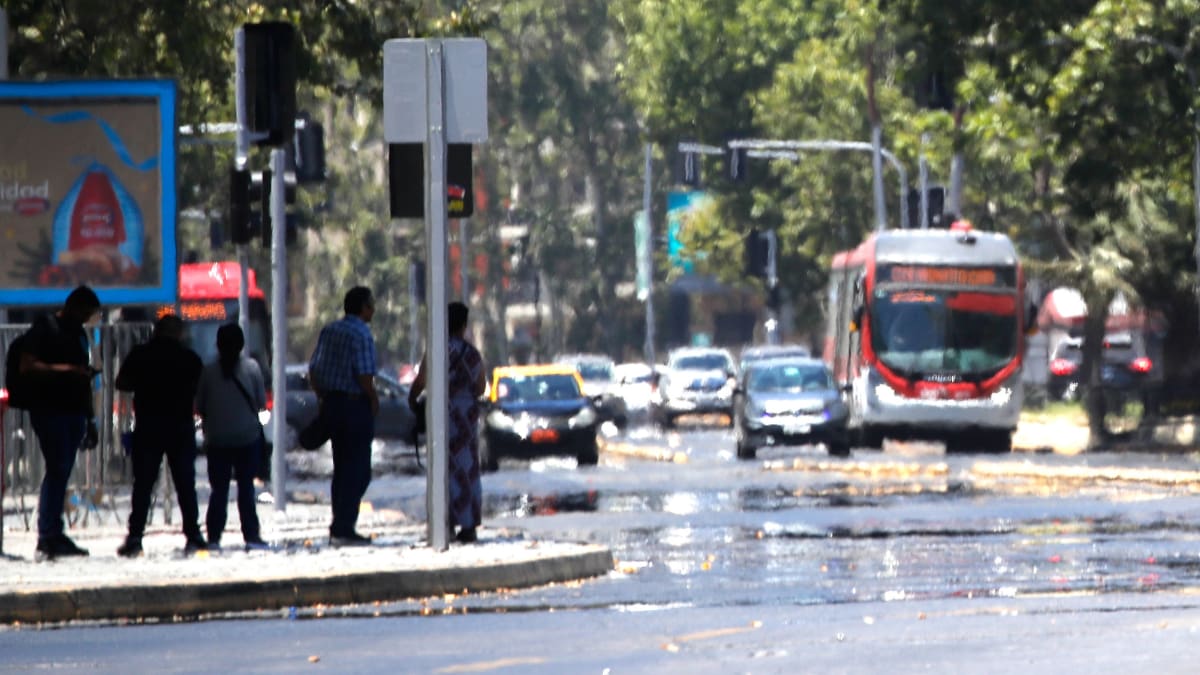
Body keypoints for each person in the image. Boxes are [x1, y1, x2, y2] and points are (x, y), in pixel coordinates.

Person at [115, 314, 207, 557]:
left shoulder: (141, 355)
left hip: (149, 426)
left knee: (143, 485)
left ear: (156, 331)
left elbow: (121, 382)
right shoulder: (189, 358)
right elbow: (200, 387)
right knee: (185, 484)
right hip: (180, 427)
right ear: (178, 333)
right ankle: (193, 535)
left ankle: (135, 537)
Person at [21, 285, 101, 560]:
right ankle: (48, 534)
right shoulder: (45, 328)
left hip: (74, 411)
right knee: (57, 468)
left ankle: (54, 531)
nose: (86, 319)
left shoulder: (79, 334)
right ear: (72, 306)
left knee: (62, 470)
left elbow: (83, 379)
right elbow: (27, 365)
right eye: (85, 313)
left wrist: (90, 419)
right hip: (50, 410)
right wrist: (65, 371)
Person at [408, 302, 487, 543]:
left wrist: (413, 399)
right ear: (463, 325)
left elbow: (421, 380)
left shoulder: (437, 350)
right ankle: (469, 524)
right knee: (467, 470)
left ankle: (445, 522)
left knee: (443, 469)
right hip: (466, 418)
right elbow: (481, 387)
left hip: (441, 415)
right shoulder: (472, 354)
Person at [308, 286, 379, 547]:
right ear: (363, 308)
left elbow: (314, 370)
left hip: (333, 404)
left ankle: (340, 522)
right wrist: (373, 400)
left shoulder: (330, 330)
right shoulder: (362, 333)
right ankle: (344, 527)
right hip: (354, 406)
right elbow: (364, 376)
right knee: (358, 470)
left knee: (342, 468)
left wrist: (323, 399)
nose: (373, 310)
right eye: (371, 305)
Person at [195, 323, 268, 551]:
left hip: (217, 440)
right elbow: (261, 403)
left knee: (219, 491)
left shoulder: (208, 372)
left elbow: (200, 406)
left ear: (218, 344)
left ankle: (214, 536)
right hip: (247, 438)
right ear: (241, 344)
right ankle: (251, 535)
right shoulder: (252, 368)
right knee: (246, 489)